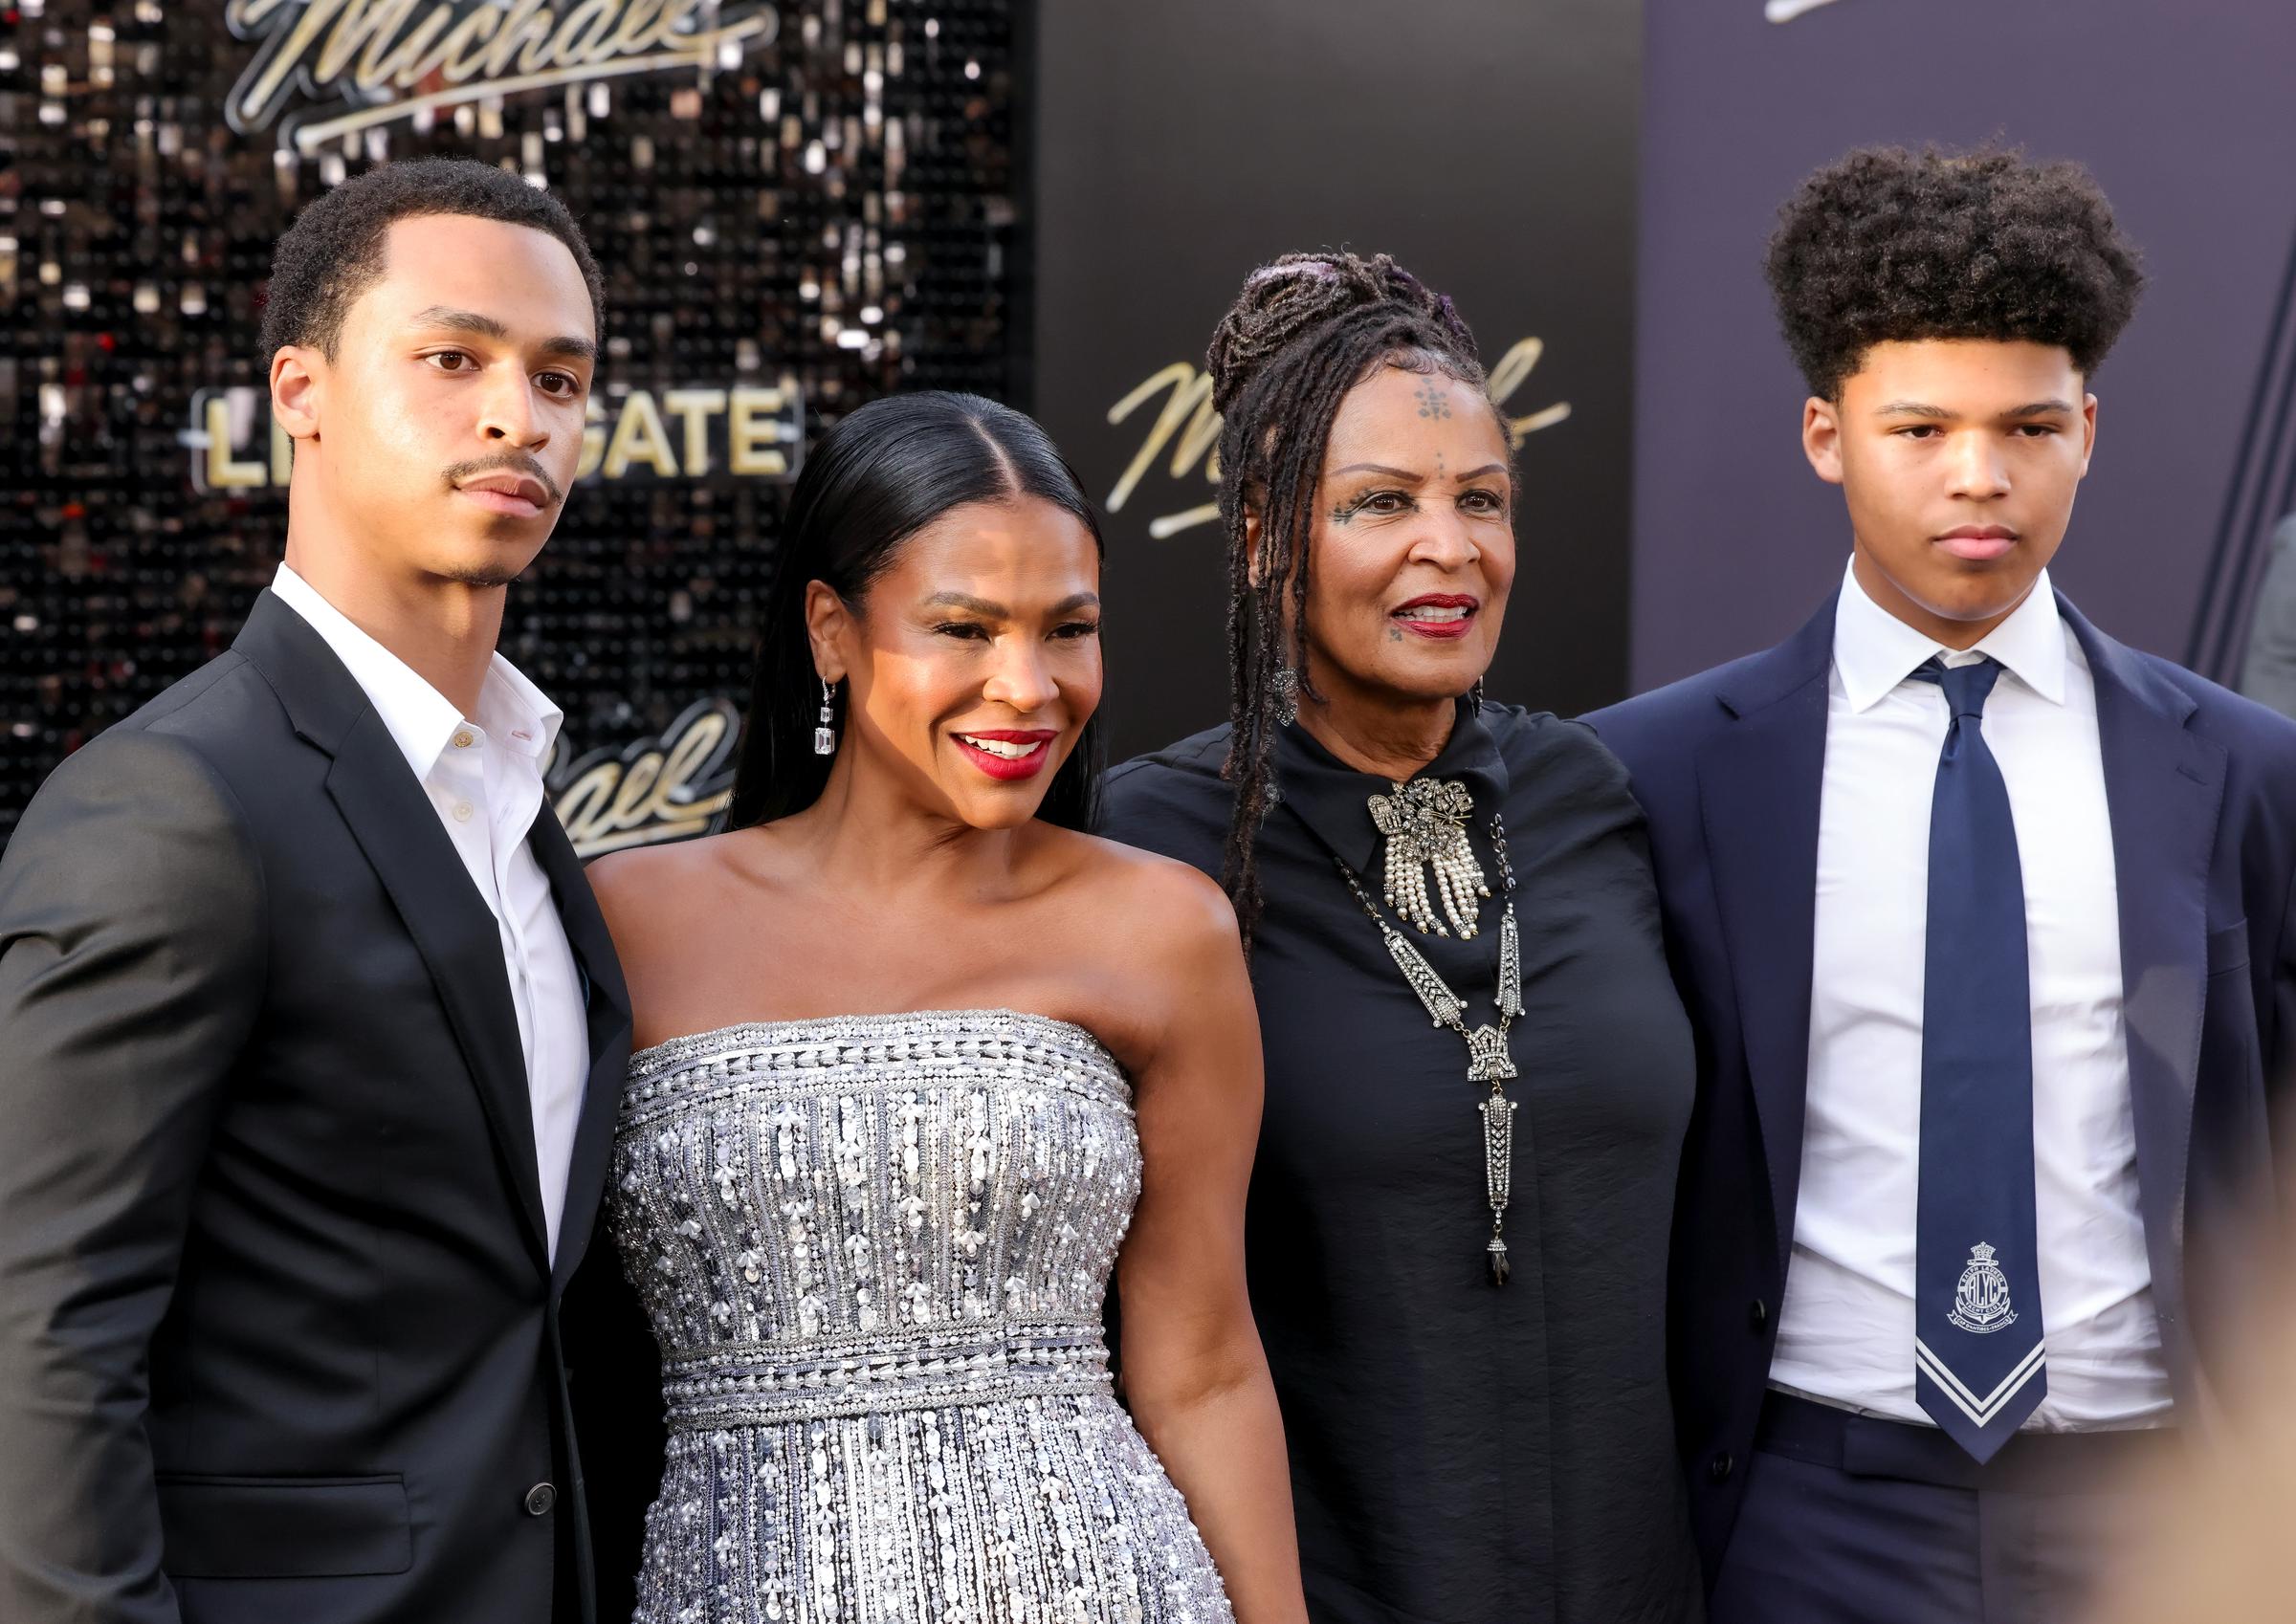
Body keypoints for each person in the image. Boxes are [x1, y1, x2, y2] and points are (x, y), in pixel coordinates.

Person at [1586, 146, 2296, 1624]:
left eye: (2030, 423)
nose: (1981, 473)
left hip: (2159, 1512)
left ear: (2089, 430)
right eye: (1921, 425)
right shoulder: (1659, 777)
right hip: (1799, 1514)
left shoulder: (2238, 771)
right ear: (1824, 433)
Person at [0, 160, 630, 1624]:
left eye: (559, 377)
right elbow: (40, 1341)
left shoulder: (526, 812)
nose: (513, 415)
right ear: (301, 389)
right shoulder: (173, 806)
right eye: (452, 359)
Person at [583, 391, 1309, 1624]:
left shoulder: (1162, 929)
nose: (1024, 687)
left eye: (1066, 631)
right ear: (831, 629)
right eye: (963, 628)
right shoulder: (627, 921)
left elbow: (1205, 1369)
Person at [1100, 252, 1704, 1624]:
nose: (1453, 548)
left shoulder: (1593, 800)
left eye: (1482, 501)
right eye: (1381, 503)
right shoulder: (1152, 844)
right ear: (1262, 533)